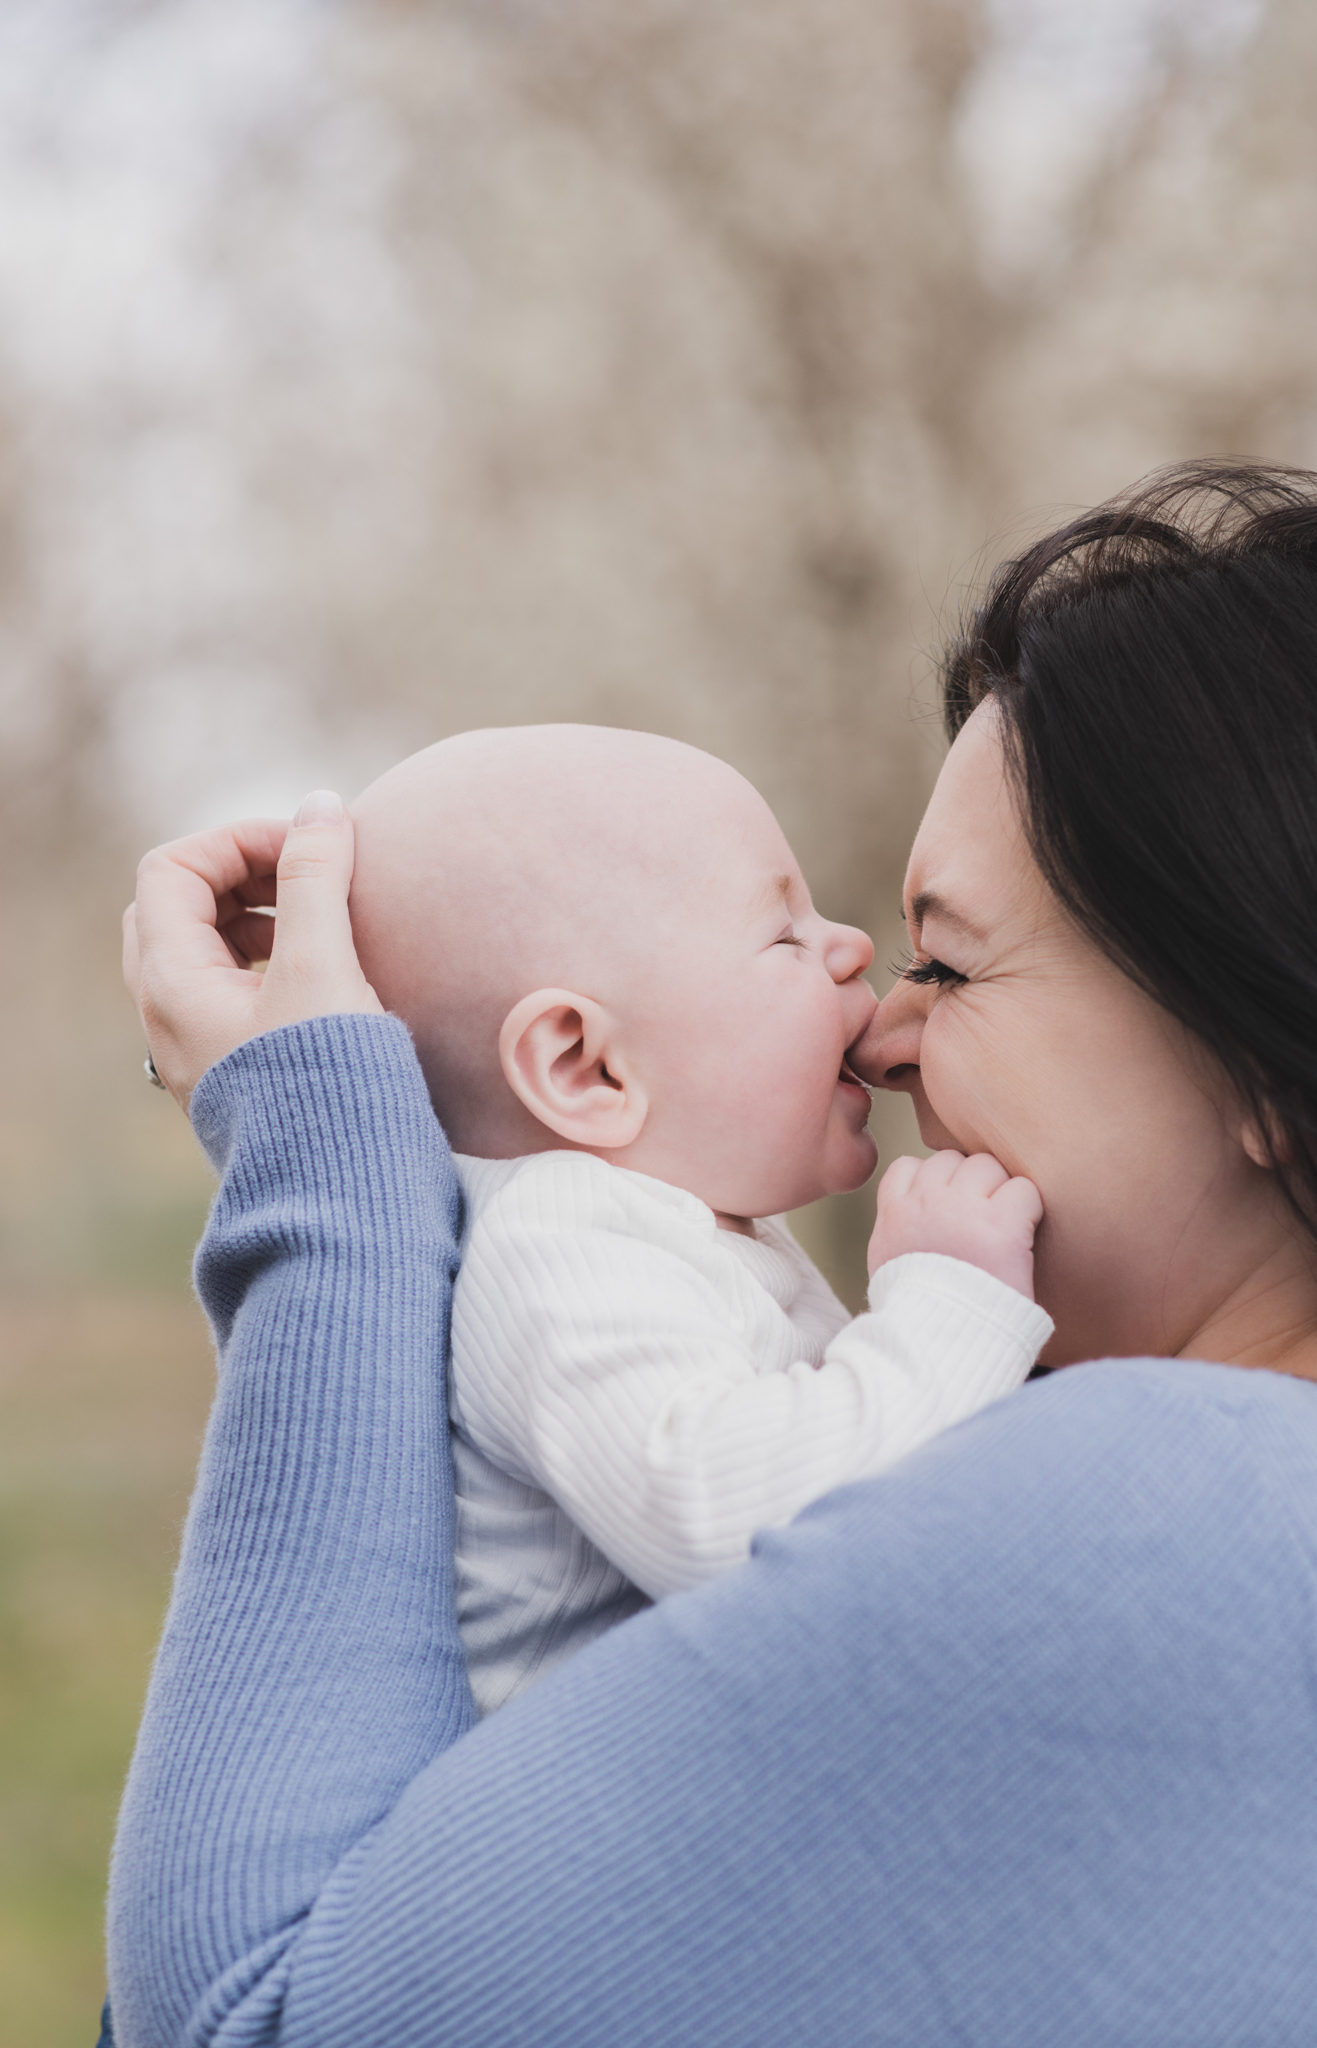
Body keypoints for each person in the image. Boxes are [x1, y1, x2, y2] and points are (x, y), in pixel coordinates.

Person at [103, 462, 1317, 2046]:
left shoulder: (1150, 1515)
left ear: (1257, 1068)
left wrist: (325, 1157)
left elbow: (232, 2023)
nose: (878, 1028)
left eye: (947, 962)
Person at [346, 725, 1047, 1715]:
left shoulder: (673, 1225)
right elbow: (735, 1524)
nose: (851, 945)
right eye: (785, 932)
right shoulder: (560, 1243)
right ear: (586, 1068)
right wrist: (950, 1305)